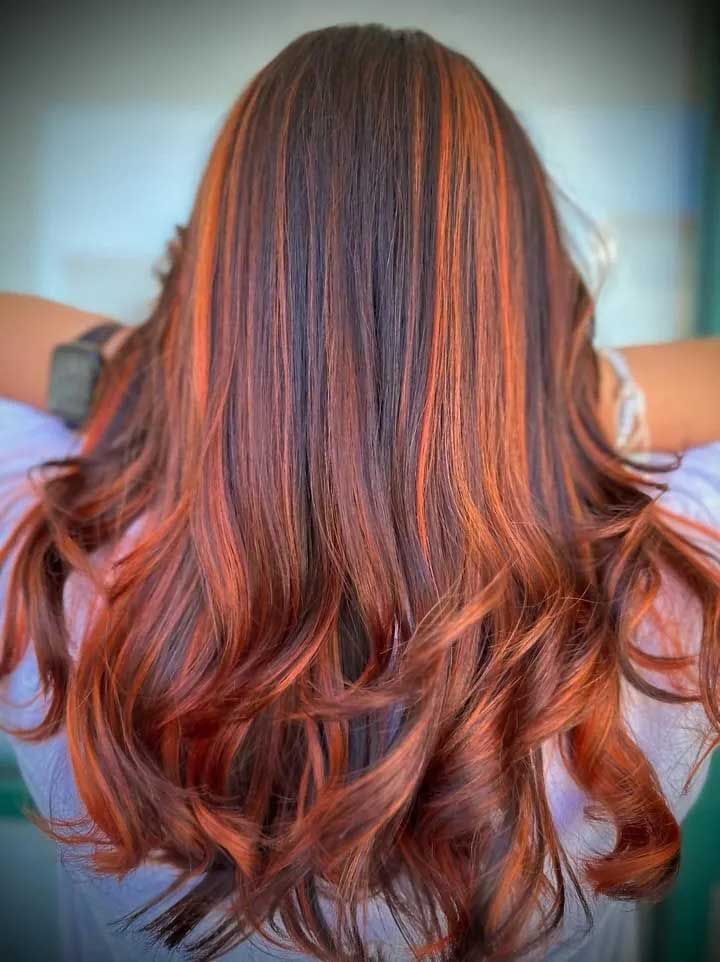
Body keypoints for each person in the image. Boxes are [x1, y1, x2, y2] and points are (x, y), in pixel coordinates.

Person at [1, 23, 719, 962]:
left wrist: (150, 379)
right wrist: (563, 403)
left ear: (219, 289)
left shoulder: (54, 556)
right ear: (530, 296)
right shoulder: (665, 598)